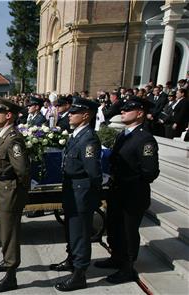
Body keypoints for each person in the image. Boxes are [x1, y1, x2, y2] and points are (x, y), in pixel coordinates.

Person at [95, 97, 160, 284]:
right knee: (115, 228)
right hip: (117, 192)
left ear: (139, 113)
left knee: (128, 232)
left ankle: (128, 267)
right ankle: (116, 258)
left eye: (127, 109)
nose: (122, 112)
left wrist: (128, 180)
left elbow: (150, 172)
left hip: (133, 194)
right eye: (122, 109)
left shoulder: (145, 139)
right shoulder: (124, 135)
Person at [53, 98, 103, 292]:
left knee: (80, 233)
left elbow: (93, 172)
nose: (70, 115)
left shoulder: (88, 138)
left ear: (86, 115)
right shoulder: (76, 135)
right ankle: (72, 261)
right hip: (71, 189)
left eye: (74, 112)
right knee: (72, 231)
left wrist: (91, 195)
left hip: (81, 191)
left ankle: (79, 274)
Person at [0, 98, 30, 293]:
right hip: (4, 189)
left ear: (9, 115)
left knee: (10, 233)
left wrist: (17, 192)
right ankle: (6, 261)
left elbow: (22, 170)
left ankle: (11, 276)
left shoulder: (13, 138)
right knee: (5, 231)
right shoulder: (4, 136)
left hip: (10, 191)